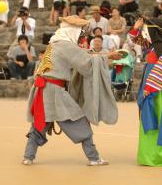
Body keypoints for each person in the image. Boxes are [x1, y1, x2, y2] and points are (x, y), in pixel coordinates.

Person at [22, 15, 121, 166]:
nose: (81, 35)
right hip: (54, 90)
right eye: (80, 31)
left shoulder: (54, 43)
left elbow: (83, 55)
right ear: (73, 30)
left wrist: (104, 55)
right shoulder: (65, 45)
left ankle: (28, 156)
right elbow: (87, 63)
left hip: (43, 89)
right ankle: (93, 158)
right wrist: (109, 56)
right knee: (78, 121)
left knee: (40, 123)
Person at [128, 17, 162, 166]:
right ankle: (151, 154)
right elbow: (133, 40)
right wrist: (135, 26)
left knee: (161, 117)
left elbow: (161, 70)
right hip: (153, 87)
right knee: (151, 117)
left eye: (145, 30)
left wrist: (149, 88)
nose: (143, 33)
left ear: (153, 32)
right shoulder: (153, 46)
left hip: (160, 90)